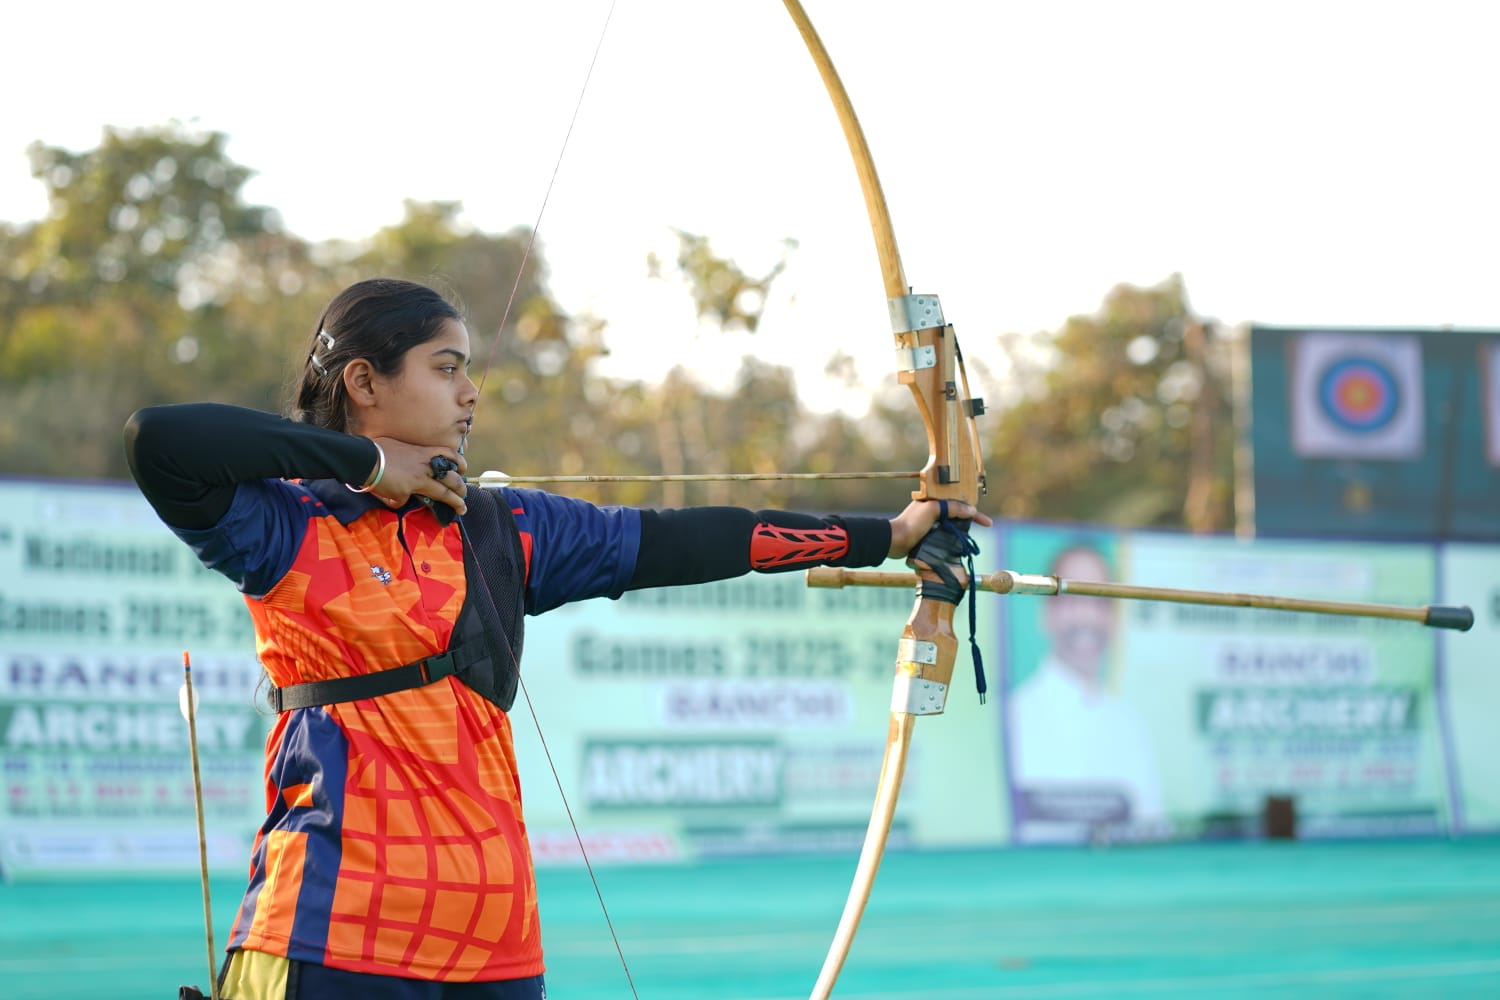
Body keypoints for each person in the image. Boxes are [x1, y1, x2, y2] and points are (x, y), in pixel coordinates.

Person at [123, 277, 987, 999]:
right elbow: (161, 440)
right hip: (327, 929)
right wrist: (370, 466)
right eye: (446, 367)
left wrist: (890, 533)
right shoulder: (283, 526)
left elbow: (687, 540)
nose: (470, 392)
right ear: (364, 381)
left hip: (495, 943)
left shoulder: (502, 528)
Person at [1006, 543, 1163, 840]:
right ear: (1046, 614)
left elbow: (1152, 830)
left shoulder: (1130, 724)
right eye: (1073, 600)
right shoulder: (1014, 717)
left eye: (1100, 602)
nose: (1087, 617)